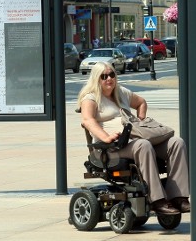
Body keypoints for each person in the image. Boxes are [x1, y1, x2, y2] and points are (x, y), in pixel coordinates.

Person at [77, 62, 190, 215]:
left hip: (133, 140)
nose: (109, 79)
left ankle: (178, 197)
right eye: (104, 76)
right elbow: (88, 121)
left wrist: (141, 122)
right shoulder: (90, 98)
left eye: (112, 75)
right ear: (96, 79)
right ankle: (157, 200)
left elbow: (141, 102)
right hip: (109, 149)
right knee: (143, 145)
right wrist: (107, 137)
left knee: (177, 143)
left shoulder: (121, 92)